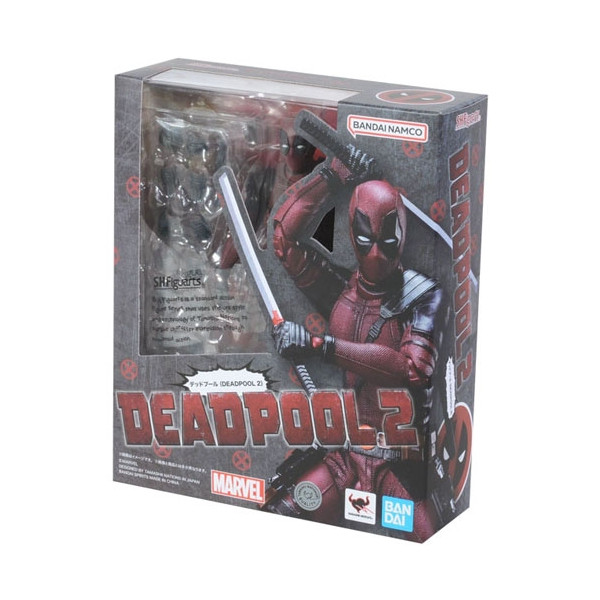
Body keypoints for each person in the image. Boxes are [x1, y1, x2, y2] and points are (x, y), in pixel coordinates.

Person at [265, 142, 448, 541]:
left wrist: (318, 345)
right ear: (352, 234)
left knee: (432, 539)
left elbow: (412, 368)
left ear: (402, 233)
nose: (377, 254)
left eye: (387, 240)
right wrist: (334, 174)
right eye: (366, 240)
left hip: (399, 465)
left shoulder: (423, 296)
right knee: (278, 516)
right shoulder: (341, 293)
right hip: (345, 459)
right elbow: (283, 240)